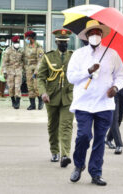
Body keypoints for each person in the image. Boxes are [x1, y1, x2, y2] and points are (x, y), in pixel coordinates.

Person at [67, 20, 123, 186]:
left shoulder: (112, 54)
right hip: (83, 103)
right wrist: (88, 71)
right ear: (86, 36)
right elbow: (70, 77)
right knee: (84, 136)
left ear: (102, 35)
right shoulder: (78, 54)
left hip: (104, 104)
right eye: (92, 33)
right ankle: (78, 165)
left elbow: (122, 76)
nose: (95, 36)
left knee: (100, 140)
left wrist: (116, 87)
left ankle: (96, 173)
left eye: (98, 33)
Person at [37, 29, 74, 167]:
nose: (63, 45)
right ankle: (54, 151)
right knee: (53, 127)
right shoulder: (49, 57)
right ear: (56, 42)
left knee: (66, 126)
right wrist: (43, 93)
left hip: (68, 97)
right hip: (51, 97)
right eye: (61, 42)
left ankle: (65, 155)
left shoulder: (73, 56)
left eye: (65, 43)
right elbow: (41, 77)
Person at [24, 31, 44, 110]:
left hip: (36, 69)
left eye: (27, 38)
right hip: (29, 69)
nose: (26, 39)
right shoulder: (27, 46)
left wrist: (36, 71)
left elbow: (40, 60)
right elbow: (25, 58)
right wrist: (25, 67)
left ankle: (40, 102)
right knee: (30, 86)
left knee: (37, 86)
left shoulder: (39, 47)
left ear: (31, 38)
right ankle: (32, 104)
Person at [2, 36, 24, 109]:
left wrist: (24, 70)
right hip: (10, 71)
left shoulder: (22, 50)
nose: (17, 44)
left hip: (18, 71)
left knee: (17, 86)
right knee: (11, 87)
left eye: (18, 42)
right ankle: (13, 101)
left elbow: (24, 61)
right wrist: (4, 71)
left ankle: (17, 102)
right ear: (13, 43)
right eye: (15, 42)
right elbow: (4, 61)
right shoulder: (8, 50)